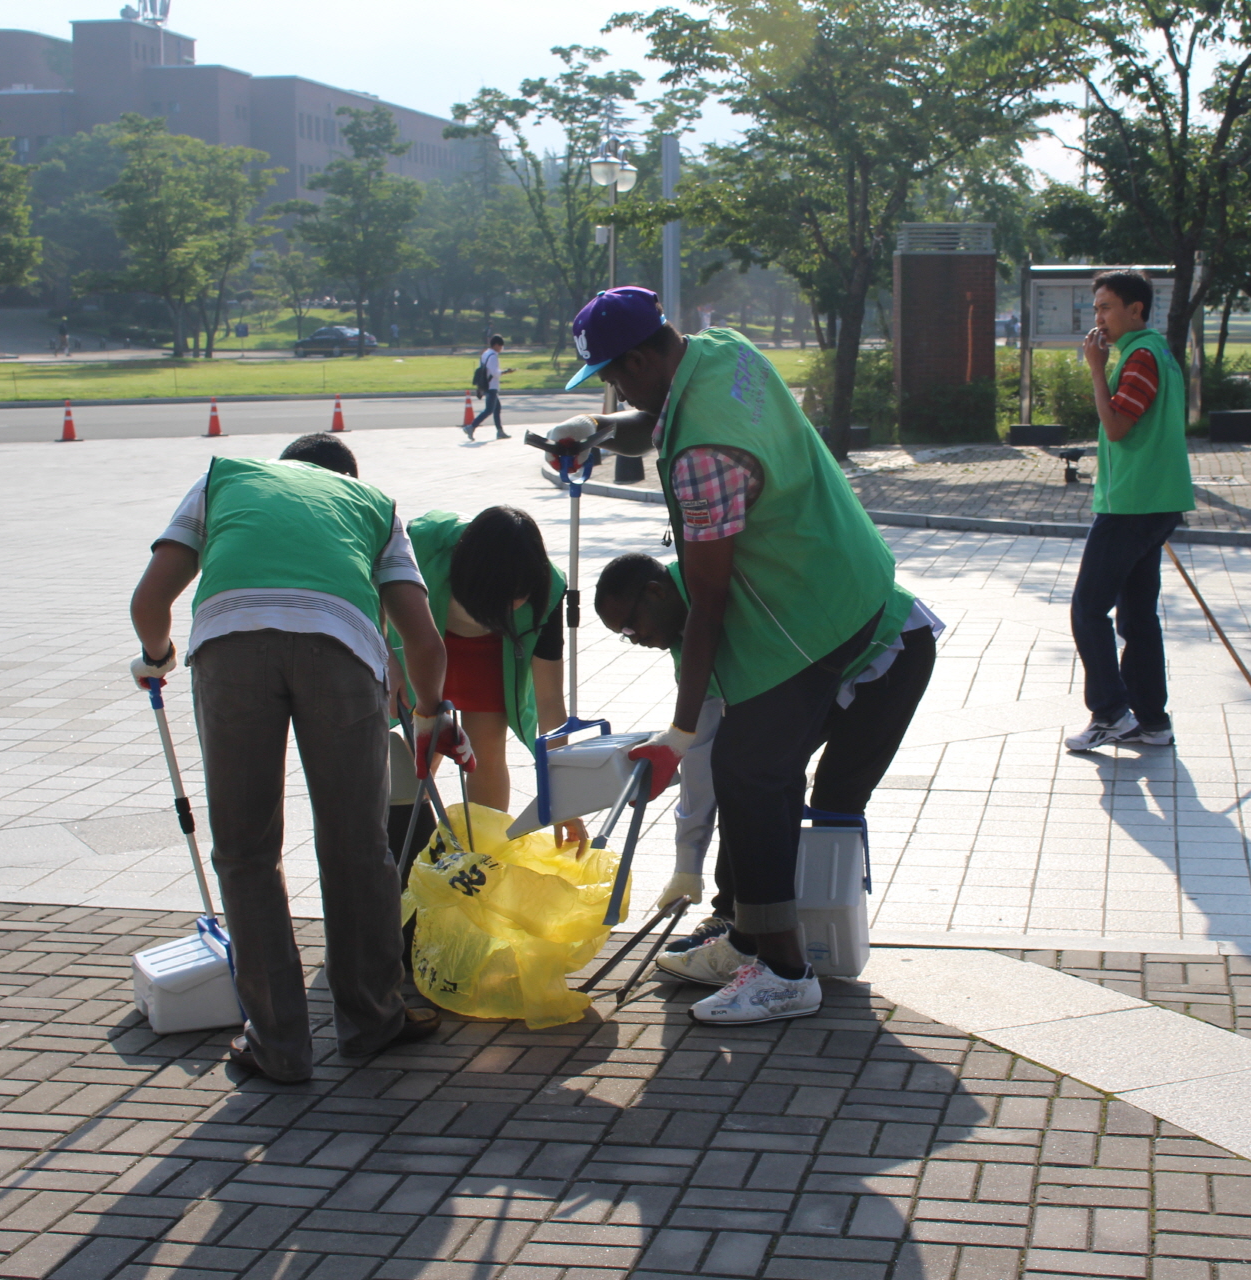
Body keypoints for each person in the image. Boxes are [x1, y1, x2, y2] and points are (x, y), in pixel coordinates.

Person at [541, 285, 897, 1026]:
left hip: (813, 612)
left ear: (640, 358)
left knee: (747, 769)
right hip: (847, 573)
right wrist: (603, 430)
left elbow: (705, 601)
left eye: (613, 375)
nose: (614, 386)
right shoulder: (721, 353)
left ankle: (782, 970)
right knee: (751, 768)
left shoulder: (704, 456)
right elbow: (659, 422)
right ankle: (748, 940)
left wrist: (678, 733)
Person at [128, 431, 473, 1084]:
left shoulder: (223, 480)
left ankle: (278, 1045)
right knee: (356, 843)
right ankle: (373, 1019)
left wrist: (156, 658)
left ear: (283, 471)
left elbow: (150, 603)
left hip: (230, 646)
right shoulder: (373, 504)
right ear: (346, 475)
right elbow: (423, 640)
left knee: (246, 850)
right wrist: (431, 714)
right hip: (340, 647)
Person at [591, 553, 940, 973]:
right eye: (622, 637)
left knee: (830, 792)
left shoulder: (718, 589)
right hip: (820, 657)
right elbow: (703, 755)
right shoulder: (688, 635)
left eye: (630, 627)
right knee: (747, 772)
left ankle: (810, 934)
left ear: (655, 592)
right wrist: (688, 866)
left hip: (888, 642)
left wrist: (690, 861)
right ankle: (737, 918)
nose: (634, 640)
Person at [391, 504, 582, 842]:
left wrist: (564, 797)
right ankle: (404, 848)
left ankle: (485, 854)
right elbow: (371, 599)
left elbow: (550, 701)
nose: (508, 607)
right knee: (416, 753)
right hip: (426, 641)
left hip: (491, 656)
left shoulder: (548, 588)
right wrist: (389, 660)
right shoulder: (422, 545)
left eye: (518, 599)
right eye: (495, 600)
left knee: (487, 753)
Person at [1063, 271, 1195, 753]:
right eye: (1096, 308)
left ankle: (1111, 713)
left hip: (1132, 504)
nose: (1098, 318)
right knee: (1136, 616)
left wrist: (1096, 369)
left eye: (1106, 308)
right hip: (1154, 501)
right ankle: (1152, 720)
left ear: (1135, 309)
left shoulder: (1140, 358)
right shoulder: (1158, 352)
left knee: (1088, 608)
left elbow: (1117, 426)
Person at [468, 335, 510, 440]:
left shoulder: (485, 353)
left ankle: (500, 431)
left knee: (497, 408)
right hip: (491, 386)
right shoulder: (493, 356)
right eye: (500, 346)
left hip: (486, 384)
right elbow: (495, 373)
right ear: (496, 345)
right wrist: (505, 371)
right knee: (489, 410)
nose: (501, 348)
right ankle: (471, 426)